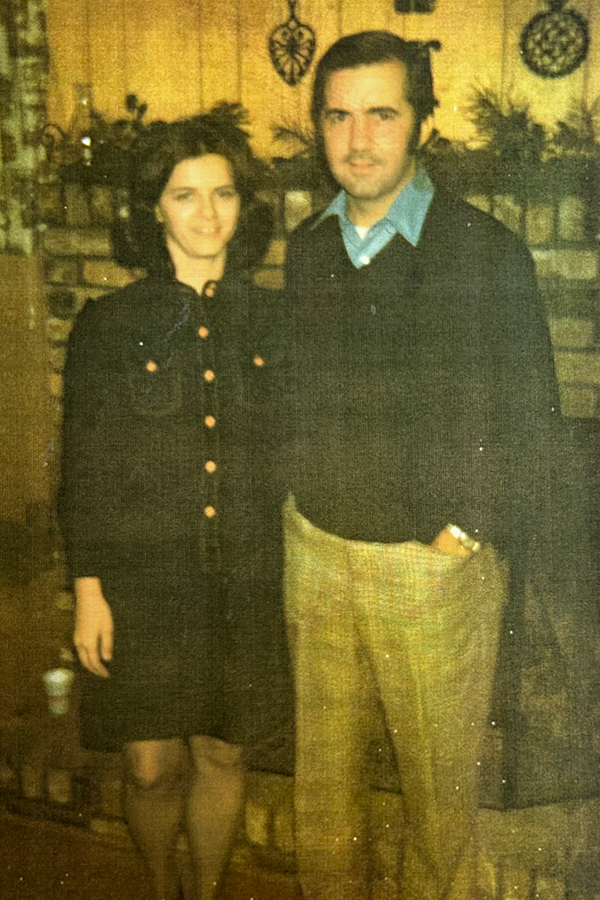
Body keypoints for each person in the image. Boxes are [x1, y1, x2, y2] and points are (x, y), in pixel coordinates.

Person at [283, 30, 599, 900]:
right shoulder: (308, 250)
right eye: (338, 116)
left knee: (437, 812)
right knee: (323, 801)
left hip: (431, 572)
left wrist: (464, 534)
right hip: (314, 554)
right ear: (318, 127)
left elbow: (531, 421)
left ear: (422, 122)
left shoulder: (481, 252)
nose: (357, 139)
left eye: (382, 114)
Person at [59, 106, 290, 900]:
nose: (205, 213)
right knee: (150, 767)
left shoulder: (274, 320)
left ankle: (208, 893)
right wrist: (88, 590)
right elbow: (82, 469)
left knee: (224, 753)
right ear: (152, 207)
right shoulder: (108, 325)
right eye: (184, 194)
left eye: (222, 193)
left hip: (243, 580)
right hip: (143, 584)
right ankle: (163, 888)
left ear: (242, 206)